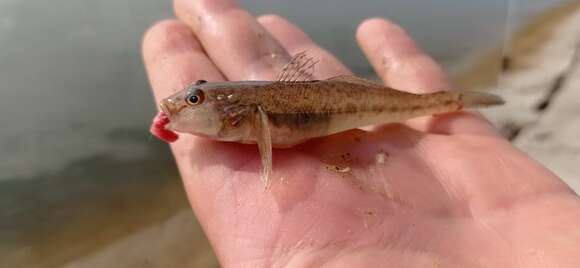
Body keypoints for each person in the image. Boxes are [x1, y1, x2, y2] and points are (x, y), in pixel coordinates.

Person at [142, 0, 580, 266]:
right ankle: (446, 101)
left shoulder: (251, 116)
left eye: (196, 99)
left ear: (229, 107)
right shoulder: (239, 115)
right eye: (191, 97)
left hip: (352, 106)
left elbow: (269, 144)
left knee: (413, 103)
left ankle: (449, 101)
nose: (181, 103)